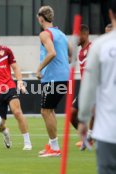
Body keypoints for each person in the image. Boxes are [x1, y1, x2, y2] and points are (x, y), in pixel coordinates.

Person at [78, 1, 116, 173]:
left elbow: (88, 87)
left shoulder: (100, 45)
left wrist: (83, 120)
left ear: (110, 14)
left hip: (109, 130)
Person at [36, 6, 71, 157]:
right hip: (64, 77)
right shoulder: (61, 34)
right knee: (50, 110)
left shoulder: (45, 34)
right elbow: (70, 54)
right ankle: (52, 145)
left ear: (41, 18)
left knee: (45, 111)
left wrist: (39, 69)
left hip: (53, 78)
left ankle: (55, 148)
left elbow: (52, 53)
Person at [70, 24, 94, 150]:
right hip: (85, 88)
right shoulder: (80, 53)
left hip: (96, 87)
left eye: (78, 36)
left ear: (84, 34)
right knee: (71, 113)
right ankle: (85, 137)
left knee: (96, 112)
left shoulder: (93, 48)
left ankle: (90, 137)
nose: (76, 39)